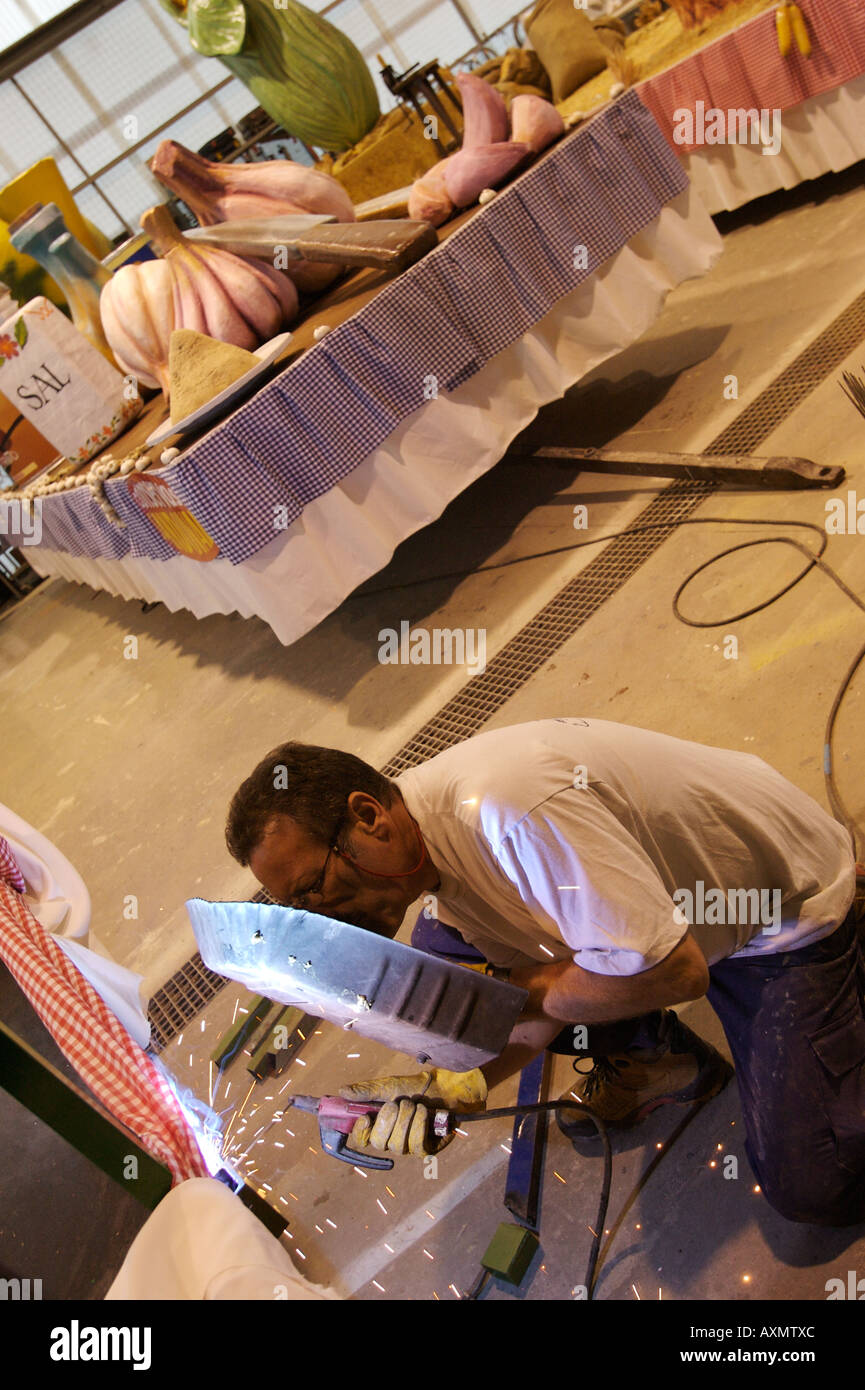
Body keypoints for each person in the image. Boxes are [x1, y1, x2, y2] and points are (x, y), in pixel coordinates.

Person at [225, 718, 865, 1226]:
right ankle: (660, 1060)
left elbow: (679, 976)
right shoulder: (422, 842)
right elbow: (532, 1009)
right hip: (675, 913)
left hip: (779, 914)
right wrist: (450, 1090)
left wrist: (520, 992)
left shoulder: (509, 817)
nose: (318, 916)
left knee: (813, 1185)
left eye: (313, 887)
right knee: (446, 967)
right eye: (294, 906)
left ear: (367, 818)